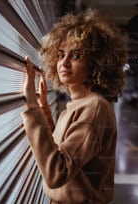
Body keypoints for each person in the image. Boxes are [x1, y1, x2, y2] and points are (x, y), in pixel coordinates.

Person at [21, 9, 127, 204]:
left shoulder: (93, 108)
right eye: (61, 55)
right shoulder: (78, 104)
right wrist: (43, 107)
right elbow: (61, 148)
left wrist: (31, 105)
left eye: (76, 56)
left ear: (96, 63)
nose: (64, 63)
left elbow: (57, 172)